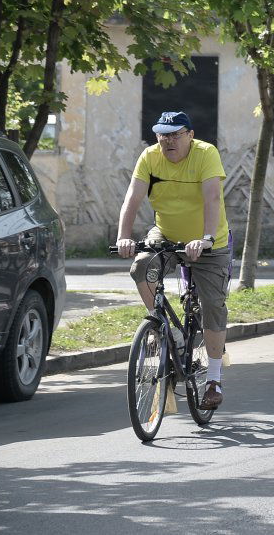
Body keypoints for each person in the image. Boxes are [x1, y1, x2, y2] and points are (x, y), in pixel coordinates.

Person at [116, 111, 232, 410]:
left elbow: (212, 198)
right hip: (166, 233)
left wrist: (205, 238)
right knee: (141, 267)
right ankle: (171, 333)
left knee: (212, 307)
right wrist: (124, 236)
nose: (168, 140)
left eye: (175, 134)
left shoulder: (206, 154)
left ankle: (214, 381)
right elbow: (133, 197)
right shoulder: (150, 157)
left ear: (189, 135)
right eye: (162, 134)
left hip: (208, 243)